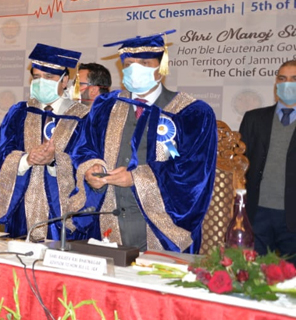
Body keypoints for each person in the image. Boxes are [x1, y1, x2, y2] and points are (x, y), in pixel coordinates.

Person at [70, 31, 217, 253]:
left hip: (160, 227)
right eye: (129, 63)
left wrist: (136, 179)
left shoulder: (192, 112)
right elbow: (84, 147)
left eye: (145, 62)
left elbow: (192, 172)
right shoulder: (105, 106)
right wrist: (91, 168)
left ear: (161, 67)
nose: (135, 69)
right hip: (107, 219)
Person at [0, 44, 96, 240]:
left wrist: (55, 161)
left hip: (60, 215)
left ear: (65, 80)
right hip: (21, 209)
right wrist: (25, 160)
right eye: (37, 77)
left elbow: (87, 164)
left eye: (49, 78)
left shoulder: (83, 117)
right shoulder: (19, 112)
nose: (41, 82)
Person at [239, 59, 296, 259]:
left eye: (294, 79)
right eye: (282, 78)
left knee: (290, 284)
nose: (287, 84)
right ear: (276, 83)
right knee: (252, 278)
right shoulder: (254, 119)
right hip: (257, 214)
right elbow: (240, 165)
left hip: (292, 218)